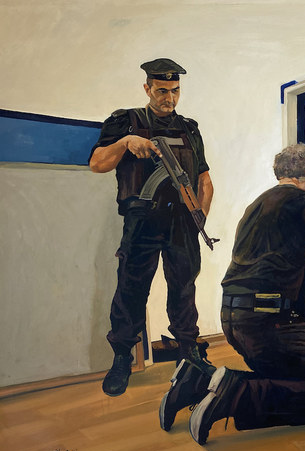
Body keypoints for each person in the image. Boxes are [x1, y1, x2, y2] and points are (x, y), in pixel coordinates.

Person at [158, 143, 305, 444]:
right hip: (269, 321)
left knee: (289, 380)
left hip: (233, 318)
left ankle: (196, 380)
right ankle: (233, 392)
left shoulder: (256, 205)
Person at [89, 58, 214, 397]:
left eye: (175, 91)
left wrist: (199, 216)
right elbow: (97, 164)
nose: (169, 98)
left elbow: (204, 179)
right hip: (142, 220)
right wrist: (125, 142)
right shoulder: (125, 121)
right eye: (161, 91)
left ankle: (188, 353)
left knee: (184, 288)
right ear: (147, 88)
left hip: (182, 223)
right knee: (131, 289)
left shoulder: (189, 128)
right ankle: (121, 357)